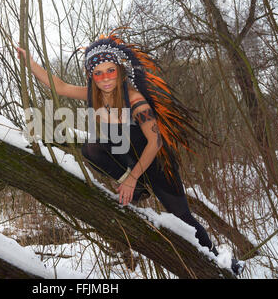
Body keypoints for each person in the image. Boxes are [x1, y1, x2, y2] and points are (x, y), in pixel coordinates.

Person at [16, 32, 243, 275]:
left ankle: (222, 261)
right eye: (98, 73)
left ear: (119, 70)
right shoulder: (94, 94)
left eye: (110, 71)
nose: (105, 78)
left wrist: (132, 176)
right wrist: (29, 62)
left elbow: (155, 142)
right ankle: (139, 190)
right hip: (128, 157)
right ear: (91, 75)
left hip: (156, 163)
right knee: (91, 148)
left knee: (182, 216)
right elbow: (59, 86)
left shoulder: (135, 100)